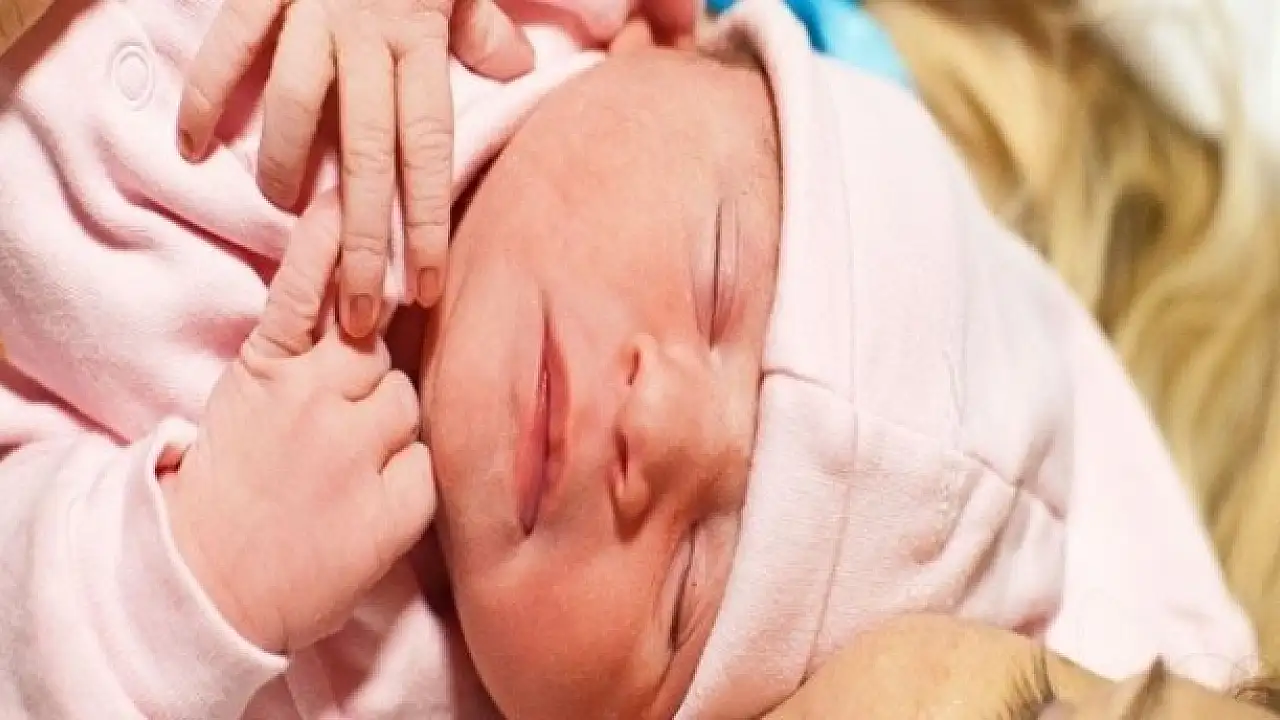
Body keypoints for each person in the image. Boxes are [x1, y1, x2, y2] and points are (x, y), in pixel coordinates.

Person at [0, 1, 1258, 719]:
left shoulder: (360, 670)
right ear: (666, 44)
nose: (653, 432)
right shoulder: (519, 23)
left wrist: (189, 590)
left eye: (691, 590)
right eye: (717, 281)